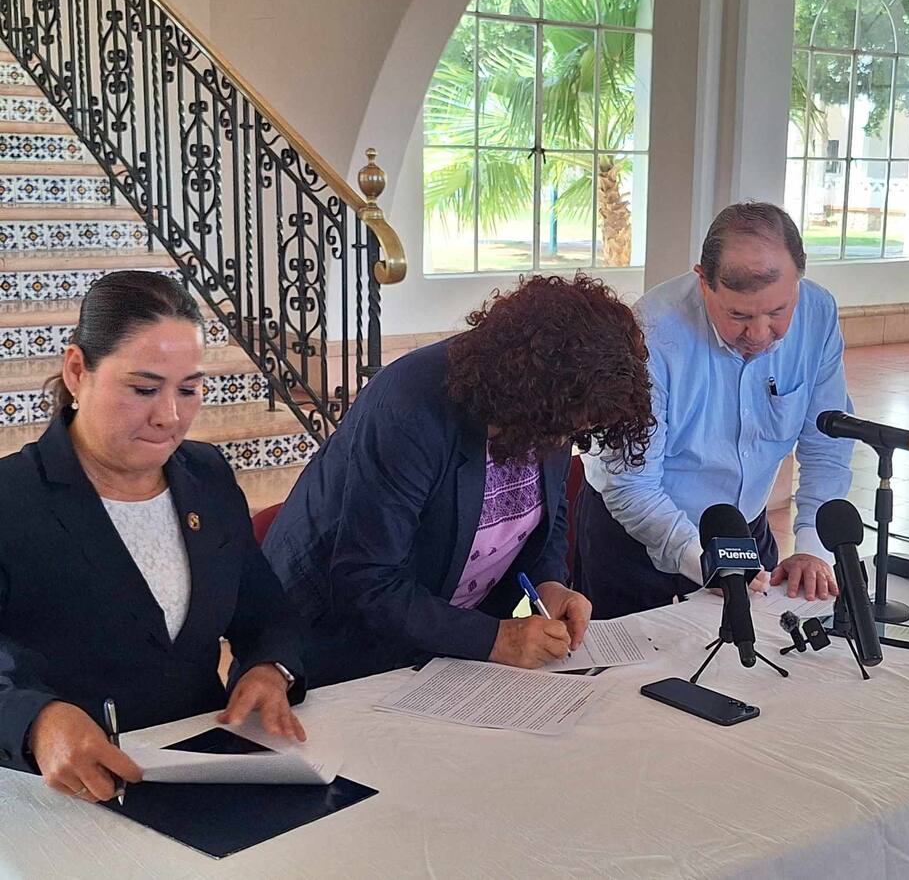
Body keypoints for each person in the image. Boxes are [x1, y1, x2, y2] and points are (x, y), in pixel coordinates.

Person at [0, 272, 308, 803]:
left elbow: (264, 612)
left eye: (189, 389)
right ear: (77, 371)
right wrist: (37, 721)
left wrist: (268, 669)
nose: (169, 416)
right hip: (60, 795)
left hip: (199, 771)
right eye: (144, 389)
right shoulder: (13, 500)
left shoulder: (206, 477)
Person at [263, 274, 655, 688]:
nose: (562, 442)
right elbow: (367, 581)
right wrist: (494, 638)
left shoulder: (560, 405)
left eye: (578, 431)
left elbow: (547, 515)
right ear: (528, 393)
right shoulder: (410, 411)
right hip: (333, 649)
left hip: (444, 650)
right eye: (560, 428)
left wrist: (550, 584)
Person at [577, 202, 854, 619]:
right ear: (703, 281)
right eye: (739, 315)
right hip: (636, 538)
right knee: (629, 676)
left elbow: (827, 443)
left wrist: (813, 549)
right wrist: (707, 562)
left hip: (744, 526)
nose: (760, 334)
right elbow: (632, 485)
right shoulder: (650, 332)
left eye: (778, 312)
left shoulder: (818, 313)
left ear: (799, 277)